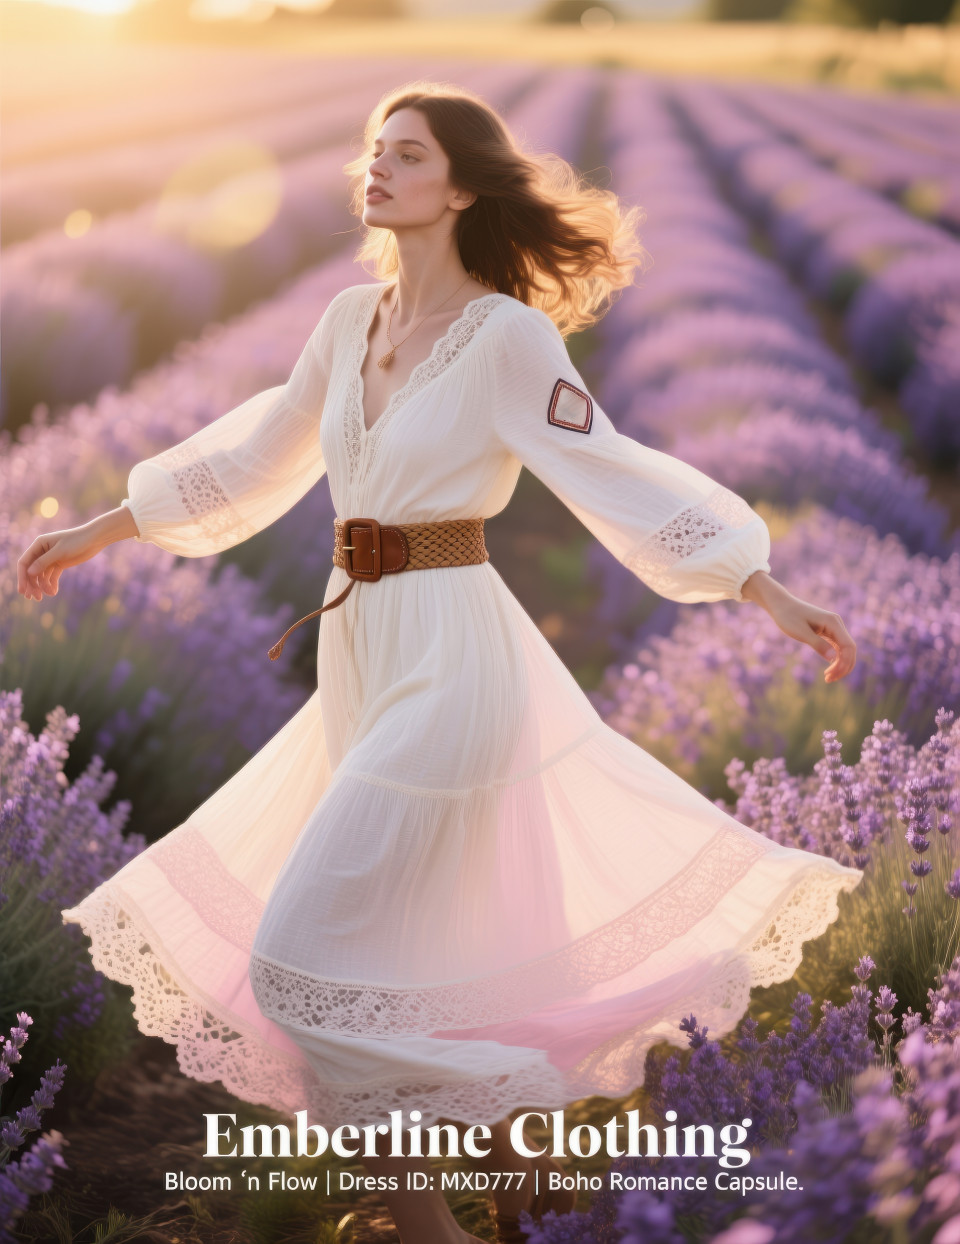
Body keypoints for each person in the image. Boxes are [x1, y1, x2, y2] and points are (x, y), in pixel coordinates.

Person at [20, 82, 861, 1244]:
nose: (377, 166)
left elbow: (609, 465)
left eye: (408, 154)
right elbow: (258, 455)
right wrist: (99, 527)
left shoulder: (508, 336)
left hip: (457, 658)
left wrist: (757, 581)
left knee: (298, 962)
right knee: (417, 953)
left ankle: (450, 1191)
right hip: (361, 650)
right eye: (376, 149)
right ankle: (504, 1184)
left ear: (463, 188)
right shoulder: (345, 321)